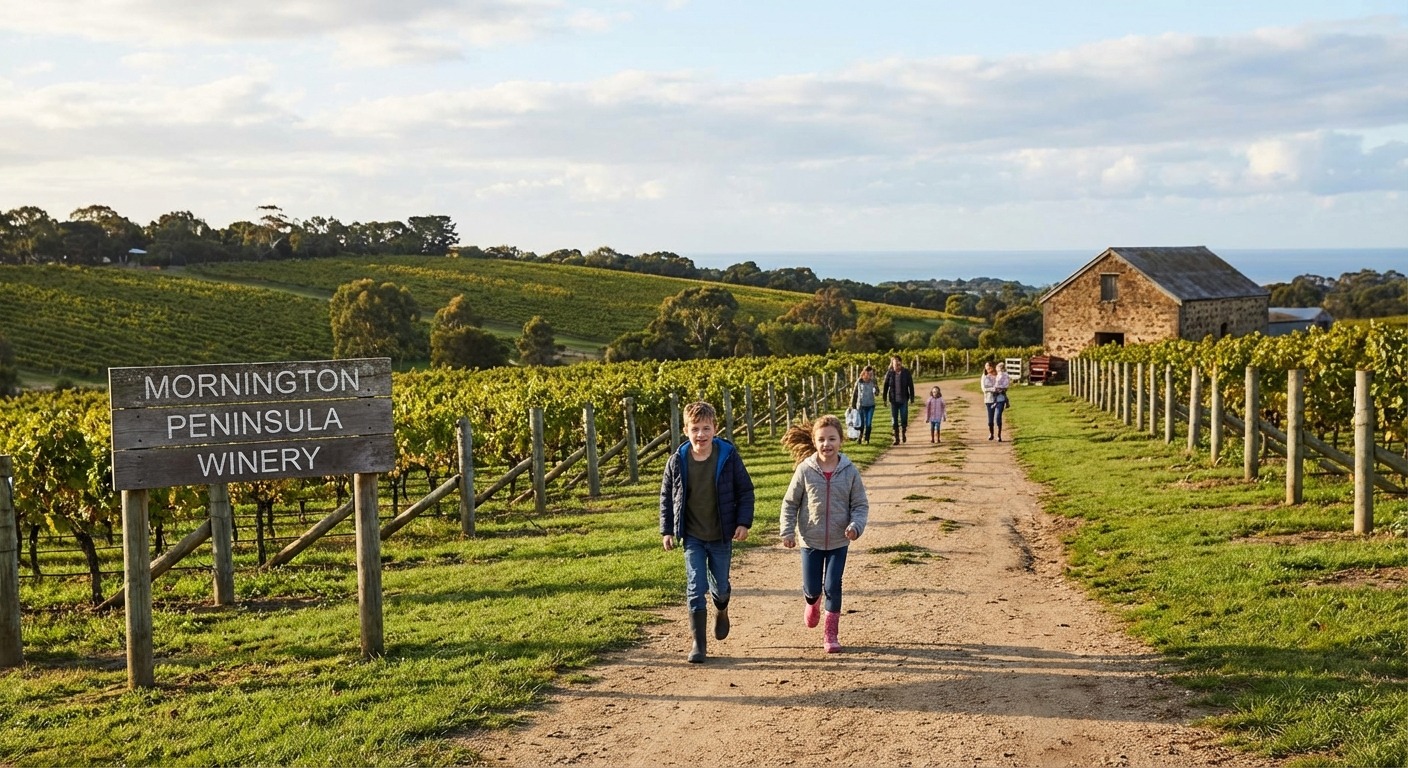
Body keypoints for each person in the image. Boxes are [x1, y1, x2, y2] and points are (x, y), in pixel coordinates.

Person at [660, 401, 755, 663]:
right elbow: (667, 497)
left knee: (720, 586)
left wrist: (743, 522)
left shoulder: (727, 456)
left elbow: (745, 490)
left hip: (721, 534)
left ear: (715, 428)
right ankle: (698, 645)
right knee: (694, 586)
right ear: (685, 430)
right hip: (692, 536)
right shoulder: (677, 461)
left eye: (706, 428)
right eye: (695, 429)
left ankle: (721, 608)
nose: (700, 434)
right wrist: (667, 530)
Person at [779, 414, 870, 653]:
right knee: (812, 588)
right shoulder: (805, 470)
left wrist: (855, 526)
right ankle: (812, 602)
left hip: (840, 540)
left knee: (833, 585)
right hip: (810, 540)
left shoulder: (850, 472)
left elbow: (860, 505)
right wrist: (787, 531)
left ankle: (831, 634)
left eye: (832, 439)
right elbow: (790, 503)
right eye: (821, 439)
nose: (826, 444)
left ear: (841, 440)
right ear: (814, 441)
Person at [881, 355, 915, 444]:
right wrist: (884, 398)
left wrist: (912, 398)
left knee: (904, 418)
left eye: (897, 363)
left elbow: (910, 385)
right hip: (893, 400)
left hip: (903, 399)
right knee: (894, 419)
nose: (896, 366)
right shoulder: (890, 373)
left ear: (900, 363)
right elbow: (885, 386)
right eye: (894, 364)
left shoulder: (906, 372)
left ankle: (903, 431)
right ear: (892, 364)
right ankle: (896, 438)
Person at [980, 361, 1012, 441]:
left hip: (1000, 399)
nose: (987, 369)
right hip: (989, 399)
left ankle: (999, 435)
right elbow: (984, 389)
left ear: (993, 367)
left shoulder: (1000, 375)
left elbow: (1006, 385)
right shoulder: (985, 376)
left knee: (998, 417)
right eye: (986, 368)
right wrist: (994, 389)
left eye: (989, 367)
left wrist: (1002, 389)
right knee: (990, 421)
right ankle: (991, 433)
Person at [850, 365, 879, 444]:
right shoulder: (859, 381)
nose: (870, 375)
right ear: (864, 373)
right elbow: (855, 393)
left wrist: (875, 388)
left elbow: (877, 393)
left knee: (868, 424)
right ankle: (860, 437)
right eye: (868, 373)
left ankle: (867, 438)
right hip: (861, 405)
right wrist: (852, 405)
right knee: (861, 424)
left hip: (870, 405)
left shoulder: (873, 381)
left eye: (871, 374)